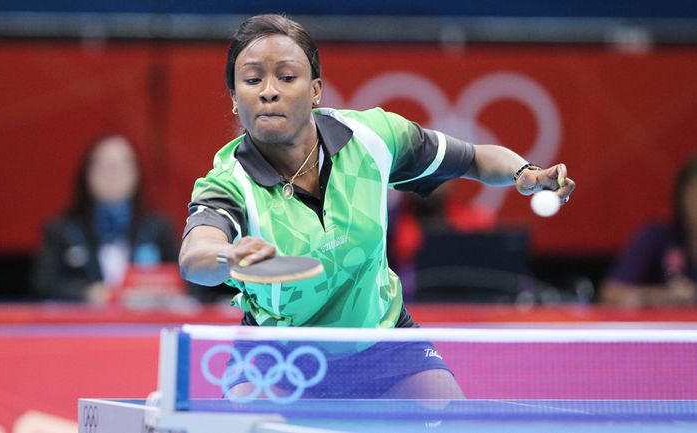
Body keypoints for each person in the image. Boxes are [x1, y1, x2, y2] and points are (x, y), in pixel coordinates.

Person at [178, 14, 575, 399]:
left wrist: (524, 172)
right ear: (235, 98)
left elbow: (473, 159)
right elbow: (196, 255)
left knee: (454, 422)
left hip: (384, 344)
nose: (269, 91)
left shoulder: (370, 139)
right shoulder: (229, 182)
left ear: (315, 90)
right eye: (252, 80)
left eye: (286, 77)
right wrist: (229, 256)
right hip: (279, 357)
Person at [32, 134, 179, 303]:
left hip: (143, 319)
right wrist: (87, 293)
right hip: (85, 319)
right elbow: (43, 284)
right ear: (86, 173)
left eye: (122, 165)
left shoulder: (158, 228)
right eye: (103, 165)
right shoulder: (62, 230)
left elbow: (189, 282)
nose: (112, 174)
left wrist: (161, 291)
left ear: (137, 174)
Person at [601, 157, 697, 307]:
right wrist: (665, 296)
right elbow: (610, 294)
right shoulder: (657, 236)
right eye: (694, 193)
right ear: (681, 195)